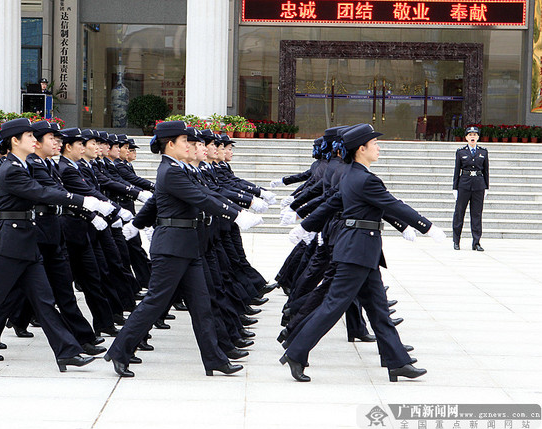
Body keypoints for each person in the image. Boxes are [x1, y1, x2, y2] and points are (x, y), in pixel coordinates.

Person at [279, 123, 446, 382]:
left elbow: (331, 203)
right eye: (375, 144)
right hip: (356, 250)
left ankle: (397, 362)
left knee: (379, 309)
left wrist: (305, 224)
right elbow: (394, 205)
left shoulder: (352, 176)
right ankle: (296, 352)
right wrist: (427, 226)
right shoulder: (365, 179)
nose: (379, 147)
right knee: (333, 306)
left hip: (362, 251)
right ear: (361, 149)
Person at [0, 118, 112, 374]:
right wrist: (81, 200)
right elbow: (40, 193)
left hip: (25, 242)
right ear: (15, 141)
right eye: (30, 136)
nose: (36, 140)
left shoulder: (19, 166)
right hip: (8, 246)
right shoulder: (12, 168)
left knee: (44, 301)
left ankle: (67, 351)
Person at [104, 120, 263, 378]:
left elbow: (158, 202)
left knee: (202, 306)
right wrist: (235, 215)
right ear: (170, 144)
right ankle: (119, 350)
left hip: (188, 246)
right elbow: (200, 198)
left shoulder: (179, 170)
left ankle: (215, 359)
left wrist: (137, 223)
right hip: (172, 247)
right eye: (185, 141)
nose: (190, 145)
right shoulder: (171, 172)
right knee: (155, 302)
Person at [452, 126, 489, 251]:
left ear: (478, 137)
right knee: (459, 213)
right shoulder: (461, 152)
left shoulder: (483, 152)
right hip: (464, 184)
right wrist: (455, 188)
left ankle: (476, 242)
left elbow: (486, 171)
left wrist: (487, 187)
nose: (472, 137)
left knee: (477, 214)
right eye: (470, 135)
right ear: (466, 137)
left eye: (475, 135)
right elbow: (457, 170)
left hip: (479, 185)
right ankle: (456, 240)